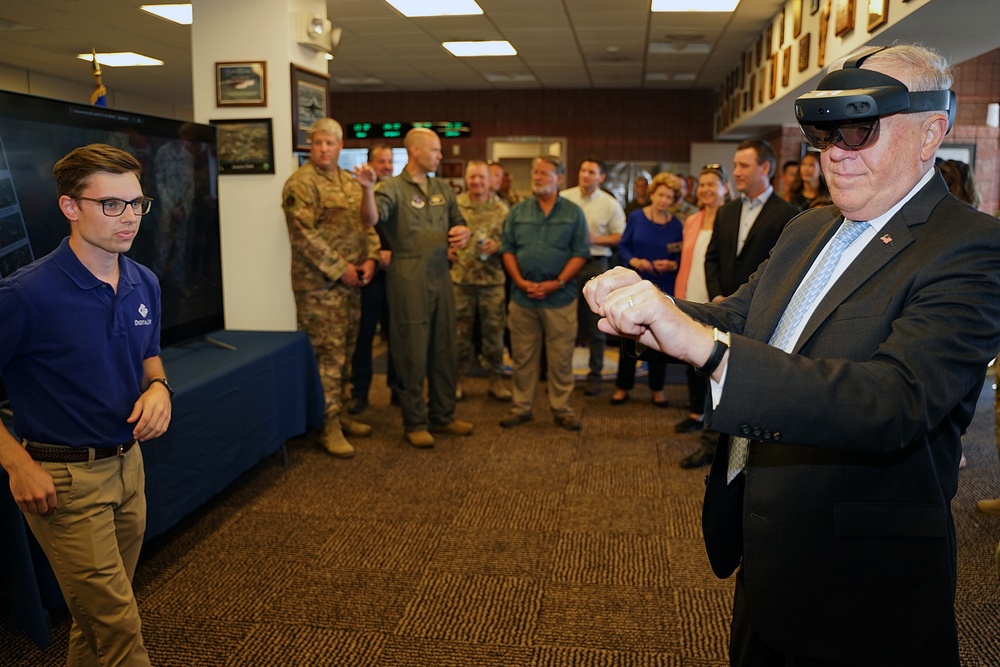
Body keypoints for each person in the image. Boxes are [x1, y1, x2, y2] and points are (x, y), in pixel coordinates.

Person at [584, 43, 1000, 666]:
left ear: (929, 133)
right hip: (768, 544)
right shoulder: (810, 227)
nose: (836, 150)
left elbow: (894, 399)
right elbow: (741, 319)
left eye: (861, 128)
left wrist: (706, 347)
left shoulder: (970, 247)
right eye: (826, 131)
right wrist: (650, 311)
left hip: (861, 580)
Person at [0, 143, 173, 665]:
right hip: (64, 483)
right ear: (71, 207)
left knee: (94, 623)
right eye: (111, 205)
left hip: (129, 468)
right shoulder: (25, 295)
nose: (129, 219)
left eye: (137, 204)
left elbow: (150, 356)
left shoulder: (144, 280)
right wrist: (17, 464)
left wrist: (160, 387)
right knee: (119, 629)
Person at [679, 138, 799, 469]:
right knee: (712, 373)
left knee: (749, 381)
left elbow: (783, 270)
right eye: (735, 166)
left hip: (761, 313)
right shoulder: (726, 211)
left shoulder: (789, 215)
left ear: (765, 168)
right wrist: (718, 297)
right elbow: (712, 257)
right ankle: (709, 444)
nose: (736, 172)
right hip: (723, 308)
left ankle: (746, 450)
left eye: (743, 166)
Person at [282, 118, 380, 458]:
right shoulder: (301, 184)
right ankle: (328, 424)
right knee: (328, 355)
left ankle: (341, 411)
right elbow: (304, 236)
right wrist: (342, 270)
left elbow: (367, 224)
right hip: (319, 288)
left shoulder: (352, 182)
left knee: (347, 350)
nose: (324, 149)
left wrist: (370, 260)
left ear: (341, 146)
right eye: (318, 143)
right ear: (311, 145)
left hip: (353, 283)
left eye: (331, 143)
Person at [374, 127, 473, 448]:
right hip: (407, 275)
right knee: (411, 349)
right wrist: (365, 190)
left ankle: (442, 415)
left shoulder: (443, 188)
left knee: (444, 346)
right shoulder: (390, 188)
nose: (441, 156)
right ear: (415, 151)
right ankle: (414, 420)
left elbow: (460, 223)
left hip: (440, 273)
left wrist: (463, 234)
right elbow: (372, 218)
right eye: (435, 150)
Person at [499, 155, 589, 431]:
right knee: (523, 356)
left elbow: (580, 253)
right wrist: (520, 281)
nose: (537, 178)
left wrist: (557, 282)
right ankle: (521, 407)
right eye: (535, 173)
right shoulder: (518, 211)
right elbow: (508, 249)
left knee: (561, 357)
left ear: (559, 179)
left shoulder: (573, 213)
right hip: (522, 297)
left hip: (559, 297)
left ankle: (561, 408)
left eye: (544, 174)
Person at [611, 172, 683, 407]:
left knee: (660, 335)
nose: (663, 200)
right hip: (635, 283)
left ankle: (658, 388)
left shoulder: (676, 225)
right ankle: (623, 386)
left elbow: (680, 256)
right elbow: (623, 247)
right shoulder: (636, 217)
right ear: (652, 194)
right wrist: (634, 261)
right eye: (660, 195)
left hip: (664, 285)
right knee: (629, 334)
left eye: (669, 197)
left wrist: (671, 264)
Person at [560, 158, 626, 396]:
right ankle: (561, 373)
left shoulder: (609, 204)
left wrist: (595, 239)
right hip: (566, 265)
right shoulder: (565, 198)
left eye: (591, 172)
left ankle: (594, 375)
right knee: (564, 322)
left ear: (601, 177)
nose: (585, 175)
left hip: (595, 264)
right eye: (582, 170)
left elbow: (620, 237)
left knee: (595, 324)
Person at [673, 164, 731, 434]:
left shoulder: (730, 218)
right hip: (690, 293)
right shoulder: (692, 220)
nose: (706, 189)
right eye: (703, 184)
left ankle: (715, 418)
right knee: (689, 355)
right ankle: (696, 411)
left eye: (713, 184)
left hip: (717, 299)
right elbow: (687, 261)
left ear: (725, 188)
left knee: (715, 357)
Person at [451, 160, 511, 402]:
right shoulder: (456, 205)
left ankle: (496, 380)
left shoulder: (502, 209)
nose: (476, 182)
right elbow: (441, 234)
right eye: (472, 177)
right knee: (458, 335)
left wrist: (499, 246)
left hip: (492, 282)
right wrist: (446, 249)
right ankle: (456, 380)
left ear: (490, 180)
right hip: (461, 280)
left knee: (494, 335)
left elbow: (513, 243)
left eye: (481, 178)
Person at [349, 142, 399, 414]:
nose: (387, 166)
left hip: (397, 276)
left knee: (398, 337)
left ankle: (398, 391)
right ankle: (360, 392)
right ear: (370, 163)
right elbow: (358, 230)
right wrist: (376, 254)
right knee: (364, 337)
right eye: (381, 161)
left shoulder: (400, 192)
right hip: (370, 276)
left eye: (390, 161)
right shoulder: (360, 194)